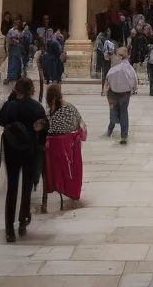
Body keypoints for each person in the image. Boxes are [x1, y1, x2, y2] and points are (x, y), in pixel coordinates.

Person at [0, 77, 47, 242]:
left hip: (12, 151)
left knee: (12, 188)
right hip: (29, 151)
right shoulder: (37, 107)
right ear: (30, 89)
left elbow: (0, 120)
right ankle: (23, 221)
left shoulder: (10, 106)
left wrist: (10, 101)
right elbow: (44, 130)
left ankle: (9, 229)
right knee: (26, 186)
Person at [42, 83, 85, 213]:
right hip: (67, 150)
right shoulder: (71, 109)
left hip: (51, 152)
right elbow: (80, 126)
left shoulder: (47, 114)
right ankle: (72, 190)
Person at [105, 47, 138, 144]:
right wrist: (134, 89)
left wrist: (107, 88)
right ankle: (124, 135)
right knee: (124, 112)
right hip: (125, 93)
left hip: (114, 92)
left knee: (113, 110)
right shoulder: (129, 67)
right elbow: (133, 78)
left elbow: (108, 78)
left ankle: (110, 130)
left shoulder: (114, 68)